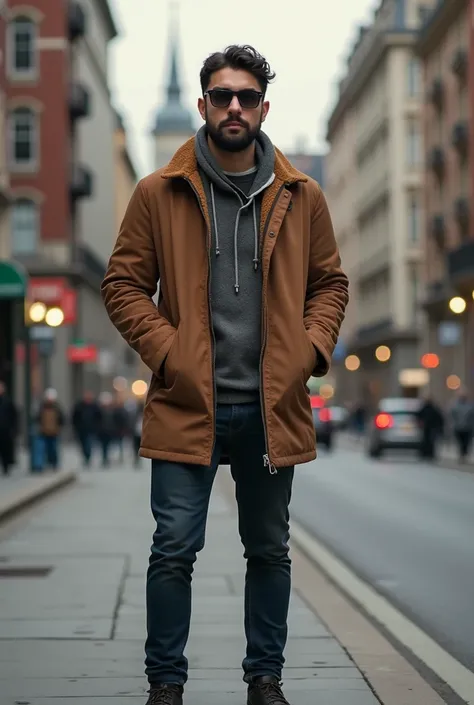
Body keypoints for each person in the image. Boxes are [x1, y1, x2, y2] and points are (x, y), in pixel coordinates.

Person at [102, 45, 348, 705]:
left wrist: (308, 351)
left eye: (245, 96)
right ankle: (166, 686)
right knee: (173, 548)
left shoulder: (303, 196)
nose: (233, 106)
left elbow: (329, 284)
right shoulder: (157, 193)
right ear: (205, 105)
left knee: (269, 549)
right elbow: (123, 285)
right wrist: (170, 351)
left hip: (271, 409)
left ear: (263, 108)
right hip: (188, 403)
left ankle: (264, 679)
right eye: (221, 96)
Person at [35, 388, 65, 470]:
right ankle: (39, 465)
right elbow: (37, 418)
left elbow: (62, 419)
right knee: (41, 449)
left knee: (53, 450)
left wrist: (59, 428)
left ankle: (53, 463)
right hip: (43, 432)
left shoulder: (57, 408)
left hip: (54, 432)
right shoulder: (42, 407)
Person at [72, 391, 101, 467]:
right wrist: (76, 427)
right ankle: (85, 456)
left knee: (89, 444)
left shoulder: (94, 406)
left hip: (91, 430)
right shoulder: (79, 406)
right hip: (81, 430)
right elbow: (74, 418)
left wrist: (97, 427)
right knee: (83, 445)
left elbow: (99, 417)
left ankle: (88, 457)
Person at [450, 391, 474, 462]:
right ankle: (461, 454)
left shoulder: (470, 405)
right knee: (460, 442)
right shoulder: (455, 405)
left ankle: (464, 454)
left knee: (466, 442)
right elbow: (452, 415)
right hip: (458, 427)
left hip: (468, 427)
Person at [0, 381, 18, 475]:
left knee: (6, 450)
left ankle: (6, 466)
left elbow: (14, 416)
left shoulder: (8, 401)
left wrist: (14, 429)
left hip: (6, 430)